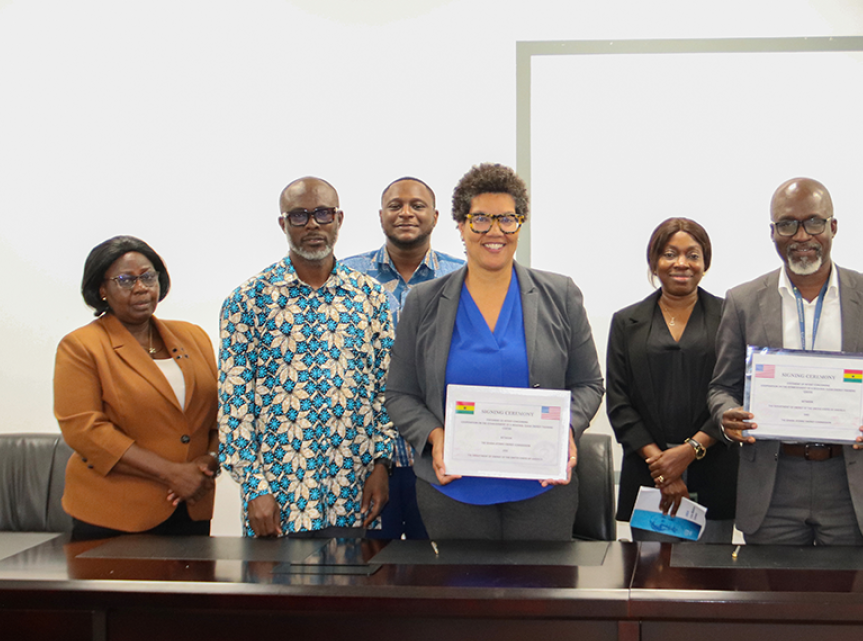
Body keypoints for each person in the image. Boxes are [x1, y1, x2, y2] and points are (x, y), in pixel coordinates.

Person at [387, 163, 604, 541]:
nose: (495, 232)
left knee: (539, 600)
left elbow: (588, 383)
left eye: (507, 219)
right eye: (481, 219)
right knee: (462, 600)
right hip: (452, 491)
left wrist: (567, 430)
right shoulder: (424, 301)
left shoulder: (560, 294)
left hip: (542, 490)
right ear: (460, 225)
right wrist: (435, 436)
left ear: (520, 224)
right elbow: (400, 393)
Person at [709, 178, 863, 546]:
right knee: (768, 598)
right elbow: (721, 388)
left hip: (850, 483)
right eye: (786, 224)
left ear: (833, 227)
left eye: (813, 222)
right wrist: (726, 414)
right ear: (773, 232)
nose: (800, 235)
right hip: (772, 483)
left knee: (851, 601)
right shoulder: (743, 301)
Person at [219, 176, 395, 538]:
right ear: (283, 224)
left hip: (355, 493)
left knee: (356, 592)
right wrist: (255, 488)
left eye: (323, 214)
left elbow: (386, 389)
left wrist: (382, 464)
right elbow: (234, 406)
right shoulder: (248, 301)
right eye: (299, 216)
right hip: (280, 498)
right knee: (280, 594)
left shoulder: (370, 297)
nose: (313, 224)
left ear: (339, 219)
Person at [54, 236, 219, 541]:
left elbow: (221, 416)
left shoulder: (194, 337)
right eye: (125, 280)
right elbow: (85, 430)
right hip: (114, 512)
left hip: (191, 504)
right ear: (102, 290)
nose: (141, 287)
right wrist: (172, 473)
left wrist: (207, 462)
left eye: (148, 276)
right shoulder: (81, 347)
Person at [342, 177, 464, 540]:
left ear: (436, 216)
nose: (406, 213)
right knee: (373, 575)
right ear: (381, 216)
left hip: (441, 457)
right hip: (366, 463)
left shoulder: (463, 277)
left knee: (441, 578)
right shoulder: (348, 277)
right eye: (395, 206)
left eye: (417, 205)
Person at [607, 217, 739, 543]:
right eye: (669, 253)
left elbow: (737, 391)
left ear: (705, 263)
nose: (682, 263)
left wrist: (690, 451)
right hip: (649, 475)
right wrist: (663, 467)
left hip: (714, 472)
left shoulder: (731, 318)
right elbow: (619, 404)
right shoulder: (626, 322)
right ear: (654, 262)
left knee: (711, 584)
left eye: (693, 255)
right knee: (651, 580)